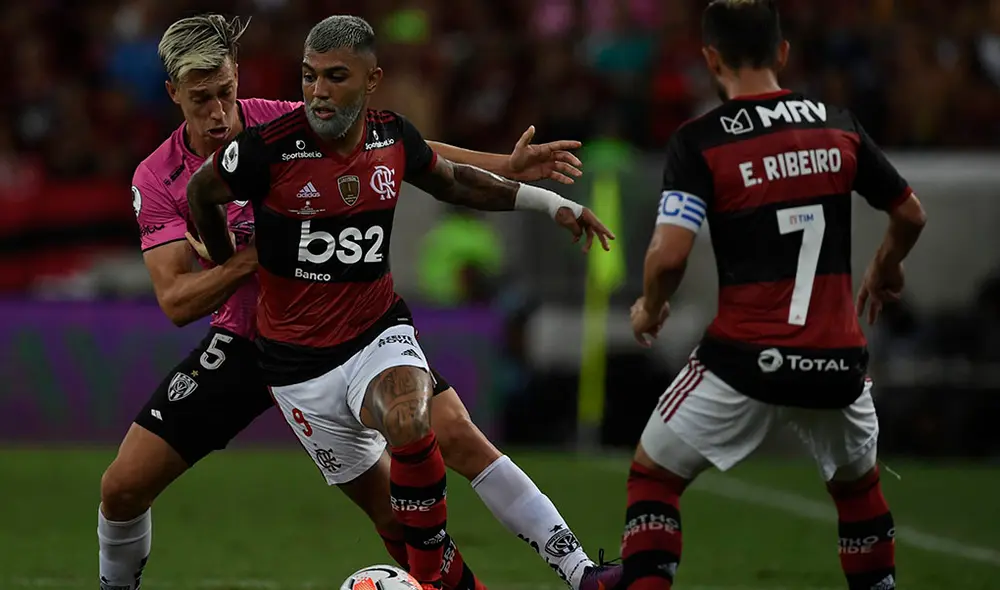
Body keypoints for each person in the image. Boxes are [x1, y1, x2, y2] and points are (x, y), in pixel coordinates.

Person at [101, 13, 621, 590]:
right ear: (173, 93)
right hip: (251, 345)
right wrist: (251, 259)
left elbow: (398, 146)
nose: (219, 112)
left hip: (350, 324)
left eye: (226, 91)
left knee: (445, 445)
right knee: (121, 488)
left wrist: (503, 165)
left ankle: (578, 571)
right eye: (202, 99)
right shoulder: (158, 178)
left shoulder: (283, 123)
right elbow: (176, 301)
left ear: (238, 76)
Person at [619, 2, 927, 590]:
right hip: (837, 360)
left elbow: (670, 255)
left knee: (654, 476)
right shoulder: (837, 125)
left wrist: (650, 307)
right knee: (858, 492)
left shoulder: (701, 141)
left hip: (745, 359)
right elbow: (910, 213)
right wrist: (885, 266)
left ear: (712, 59)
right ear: (782, 52)